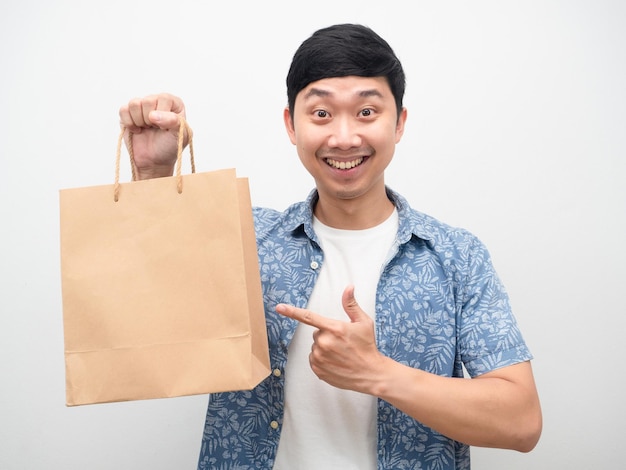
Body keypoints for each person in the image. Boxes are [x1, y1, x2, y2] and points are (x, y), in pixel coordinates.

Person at [119, 23, 542, 470]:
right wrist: (153, 174)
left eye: (366, 112)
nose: (343, 138)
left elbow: (521, 421)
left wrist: (377, 373)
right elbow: (156, 319)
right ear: (291, 124)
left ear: (398, 123)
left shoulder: (457, 256)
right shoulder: (246, 239)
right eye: (321, 113)